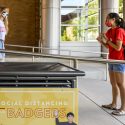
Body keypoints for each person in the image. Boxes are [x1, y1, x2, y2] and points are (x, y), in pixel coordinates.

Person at [96, 12, 125, 116]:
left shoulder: (120, 31)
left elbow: (118, 48)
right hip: (112, 60)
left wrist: (107, 40)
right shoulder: (109, 31)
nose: (106, 21)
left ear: (114, 19)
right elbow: (109, 47)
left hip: (119, 60)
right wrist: (101, 41)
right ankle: (113, 104)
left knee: (120, 84)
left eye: (108, 19)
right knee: (113, 83)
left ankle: (123, 108)